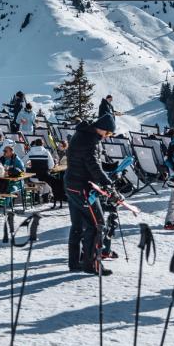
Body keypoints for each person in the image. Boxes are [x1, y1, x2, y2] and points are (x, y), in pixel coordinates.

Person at [64, 113, 117, 275]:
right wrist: (108, 184)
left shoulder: (82, 134)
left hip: (71, 184)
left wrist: (106, 167)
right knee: (97, 224)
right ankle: (92, 264)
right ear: (101, 128)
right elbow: (92, 164)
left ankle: (75, 262)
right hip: (83, 188)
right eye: (107, 133)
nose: (106, 137)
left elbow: (86, 160)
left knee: (77, 225)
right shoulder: (91, 140)